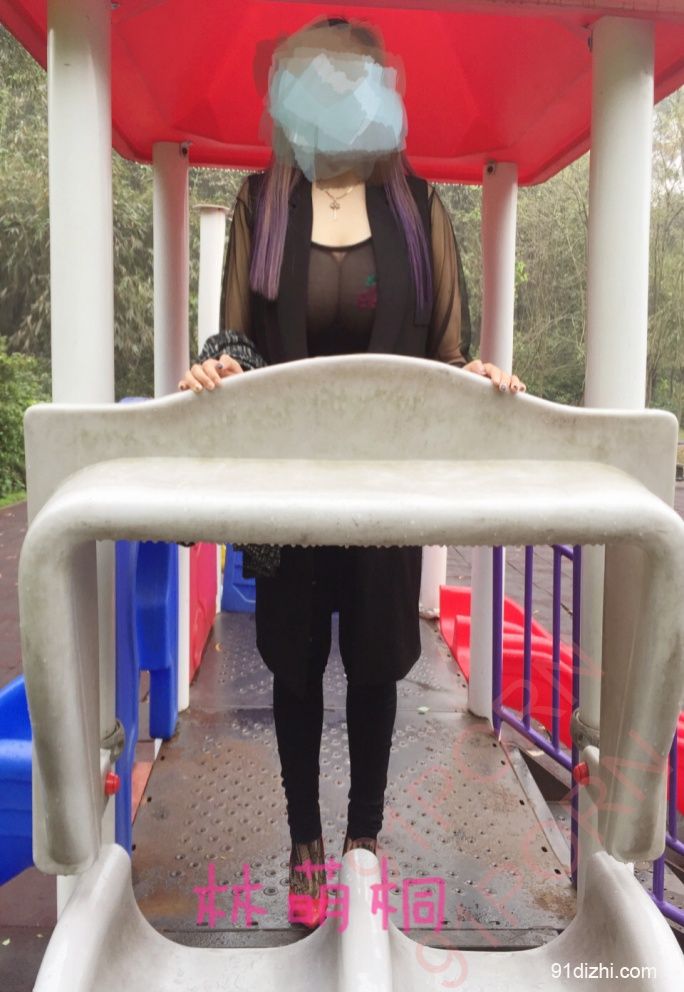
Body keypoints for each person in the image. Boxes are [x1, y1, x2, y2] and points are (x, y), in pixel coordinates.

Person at [179, 15, 525, 929]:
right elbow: (235, 340)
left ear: (383, 92)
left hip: (385, 487)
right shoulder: (262, 201)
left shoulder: (418, 209)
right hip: (289, 488)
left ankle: (363, 841)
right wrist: (216, 365)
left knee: (375, 665)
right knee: (294, 668)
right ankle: (304, 845)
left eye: (353, 78)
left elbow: (445, 355)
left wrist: (480, 378)